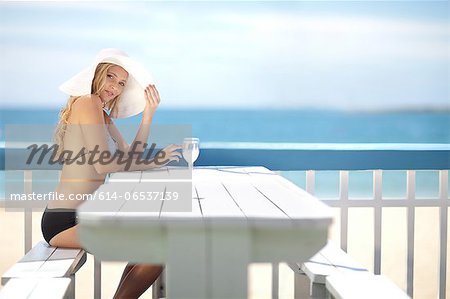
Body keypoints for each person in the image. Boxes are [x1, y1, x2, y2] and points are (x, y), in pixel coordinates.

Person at [41, 48, 181, 299]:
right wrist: (154, 162)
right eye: (111, 77)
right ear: (97, 75)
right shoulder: (87, 102)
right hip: (64, 221)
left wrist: (148, 115)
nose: (115, 87)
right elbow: (104, 165)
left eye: (122, 83)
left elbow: (131, 157)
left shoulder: (102, 116)